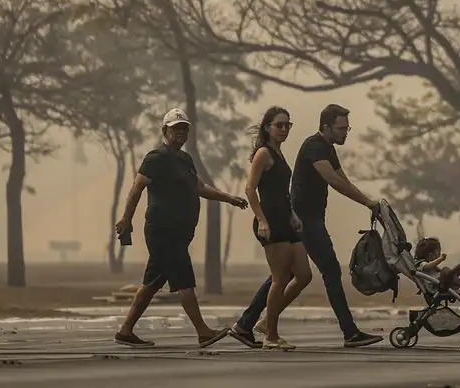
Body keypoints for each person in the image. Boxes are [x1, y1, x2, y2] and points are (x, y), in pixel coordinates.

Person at [230, 104, 383, 349]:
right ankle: (349, 332)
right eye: (341, 128)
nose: (345, 133)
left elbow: (341, 176)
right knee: (327, 270)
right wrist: (365, 201)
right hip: (304, 218)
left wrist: (369, 201)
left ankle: (249, 323)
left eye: (347, 128)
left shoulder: (326, 149)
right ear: (326, 127)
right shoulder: (314, 146)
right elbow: (332, 180)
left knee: (290, 275)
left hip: (297, 217)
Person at [113, 108, 250, 348]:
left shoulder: (185, 160)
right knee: (185, 281)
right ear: (165, 130)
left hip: (179, 231)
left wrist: (229, 198)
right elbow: (137, 189)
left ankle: (125, 330)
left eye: (184, 128)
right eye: (176, 128)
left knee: (152, 283)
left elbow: (199, 187)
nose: (181, 132)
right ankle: (203, 332)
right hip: (163, 230)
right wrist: (126, 219)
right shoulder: (155, 158)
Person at [245, 106, 312, 350]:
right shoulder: (263, 153)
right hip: (270, 220)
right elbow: (250, 189)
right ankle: (271, 336)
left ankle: (266, 321)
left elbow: (282, 192)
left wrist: (293, 214)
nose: (284, 129)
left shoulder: (279, 153)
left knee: (304, 275)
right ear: (267, 127)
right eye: (279, 125)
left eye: (287, 125)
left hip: (286, 219)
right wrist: (262, 220)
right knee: (280, 278)